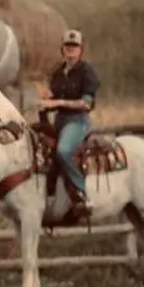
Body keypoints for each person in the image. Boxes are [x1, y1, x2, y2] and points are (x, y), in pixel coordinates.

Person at [40, 28, 101, 218]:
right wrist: (43, 101)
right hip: (59, 120)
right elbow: (52, 95)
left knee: (64, 150)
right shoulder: (57, 72)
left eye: (75, 46)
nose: (71, 49)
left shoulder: (86, 71)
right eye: (67, 46)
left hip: (77, 121)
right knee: (37, 147)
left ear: (81, 49)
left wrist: (58, 102)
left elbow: (86, 103)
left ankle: (81, 192)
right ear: (62, 49)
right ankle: (48, 194)